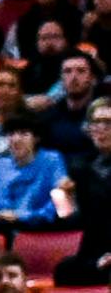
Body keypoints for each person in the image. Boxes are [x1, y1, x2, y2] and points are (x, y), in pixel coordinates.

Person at [52, 95, 111, 287]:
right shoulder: (80, 166)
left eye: (107, 122)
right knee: (64, 270)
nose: (101, 129)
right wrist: (64, 199)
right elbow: (68, 218)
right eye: (96, 123)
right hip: (93, 251)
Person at [0, 115, 66, 227]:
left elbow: (60, 203)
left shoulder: (52, 160)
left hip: (38, 230)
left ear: (36, 138)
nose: (16, 139)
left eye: (23, 134)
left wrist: (22, 216)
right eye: (11, 134)